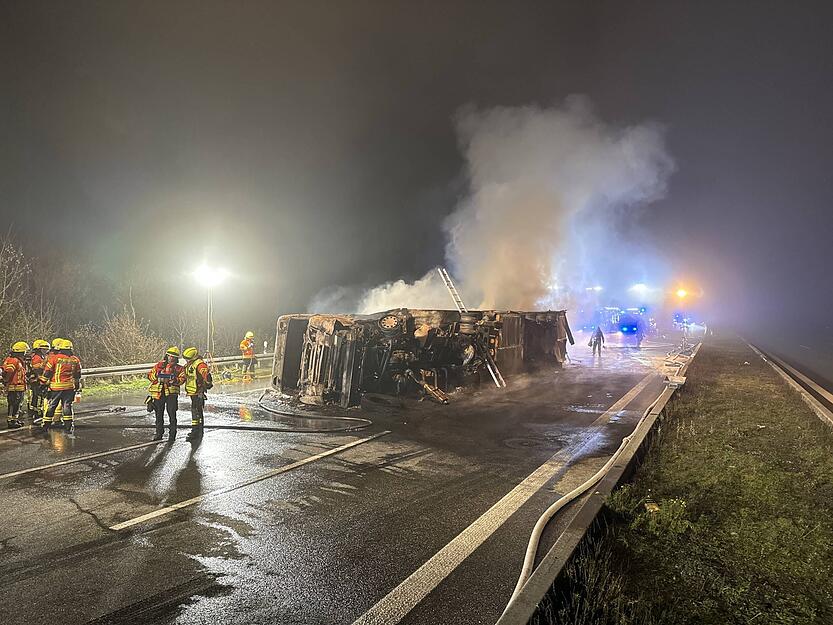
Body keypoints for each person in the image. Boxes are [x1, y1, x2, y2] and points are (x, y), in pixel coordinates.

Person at [40, 339, 81, 432]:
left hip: (56, 387)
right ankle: (68, 426)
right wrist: (77, 386)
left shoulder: (54, 358)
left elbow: (47, 372)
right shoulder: (75, 359)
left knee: (52, 405)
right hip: (69, 387)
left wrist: (42, 383)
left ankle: (46, 425)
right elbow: (77, 375)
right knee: (67, 406)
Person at [147, 346, 185, 441]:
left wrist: (174, 380)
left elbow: (182, 379)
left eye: (174, 357)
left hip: (171, 395)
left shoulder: (179, 368)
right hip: (159, 393)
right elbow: (150, 375)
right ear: (167, 356)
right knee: (158, 414)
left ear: (176, 359)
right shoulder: (159, 365)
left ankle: (172, 435)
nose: (171, 358)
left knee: (172, 414)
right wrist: (157, 376)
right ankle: (159, 433)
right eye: (170, 356)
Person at [182, 347, 212, 442]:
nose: (186, 360)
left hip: (198, 392)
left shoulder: (199, 364)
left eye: (188, 358)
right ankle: (198, 429)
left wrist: (206, 382)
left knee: (196, 411)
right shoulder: (190, 364)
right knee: (196, 410)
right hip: (192, 392)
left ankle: (196, 431)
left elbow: (205, 375)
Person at [3, 342, 29, 428]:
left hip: (18, 387)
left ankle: (14, 420)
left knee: (16, 405)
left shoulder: (16, 360)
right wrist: (6, 381)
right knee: (13, 404)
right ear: (21, 352)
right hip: (14, 387)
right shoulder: (14, 360)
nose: (25, 353)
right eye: (25, 351)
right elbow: (9, 371)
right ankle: (11, 421)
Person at [27, 339, 50, 419]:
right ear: (39, 349)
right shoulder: (37, 357)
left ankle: (36, 411)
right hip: (36, 380)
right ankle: (36, 412)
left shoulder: (39, 356)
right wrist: (46, 363)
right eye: (44, 349)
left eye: (47, 349)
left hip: (37, 379)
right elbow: (37, 369)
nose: (46, 351)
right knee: (37, 396)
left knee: (37, 396)